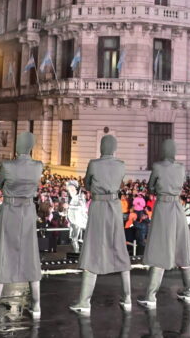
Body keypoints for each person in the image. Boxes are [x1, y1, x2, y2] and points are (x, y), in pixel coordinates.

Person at [0, 132, 43, 324]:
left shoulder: (8, 165)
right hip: (28, 211)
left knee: (1, 256)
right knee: (31, 256)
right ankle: (36, 306)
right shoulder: (38, 166)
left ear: (18, 146)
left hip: (10, 211)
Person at [69, 134, 133, 315]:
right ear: (114, 148)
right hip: (114, 207)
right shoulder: (121, 164)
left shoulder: (94, 164)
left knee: (92, 249)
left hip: (98, 207)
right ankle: (127, 298)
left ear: (101, 147)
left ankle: (84, 301)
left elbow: (88, 185)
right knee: (119, 248)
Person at [138, 139, 190, 308]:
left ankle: (150, 296)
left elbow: (150, 187)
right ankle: (189, 291)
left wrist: (158, 189)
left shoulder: (157, 166)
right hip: (177, 207)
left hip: (163, 207)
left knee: (160, 248)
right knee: (183, 248)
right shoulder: (181, 167)